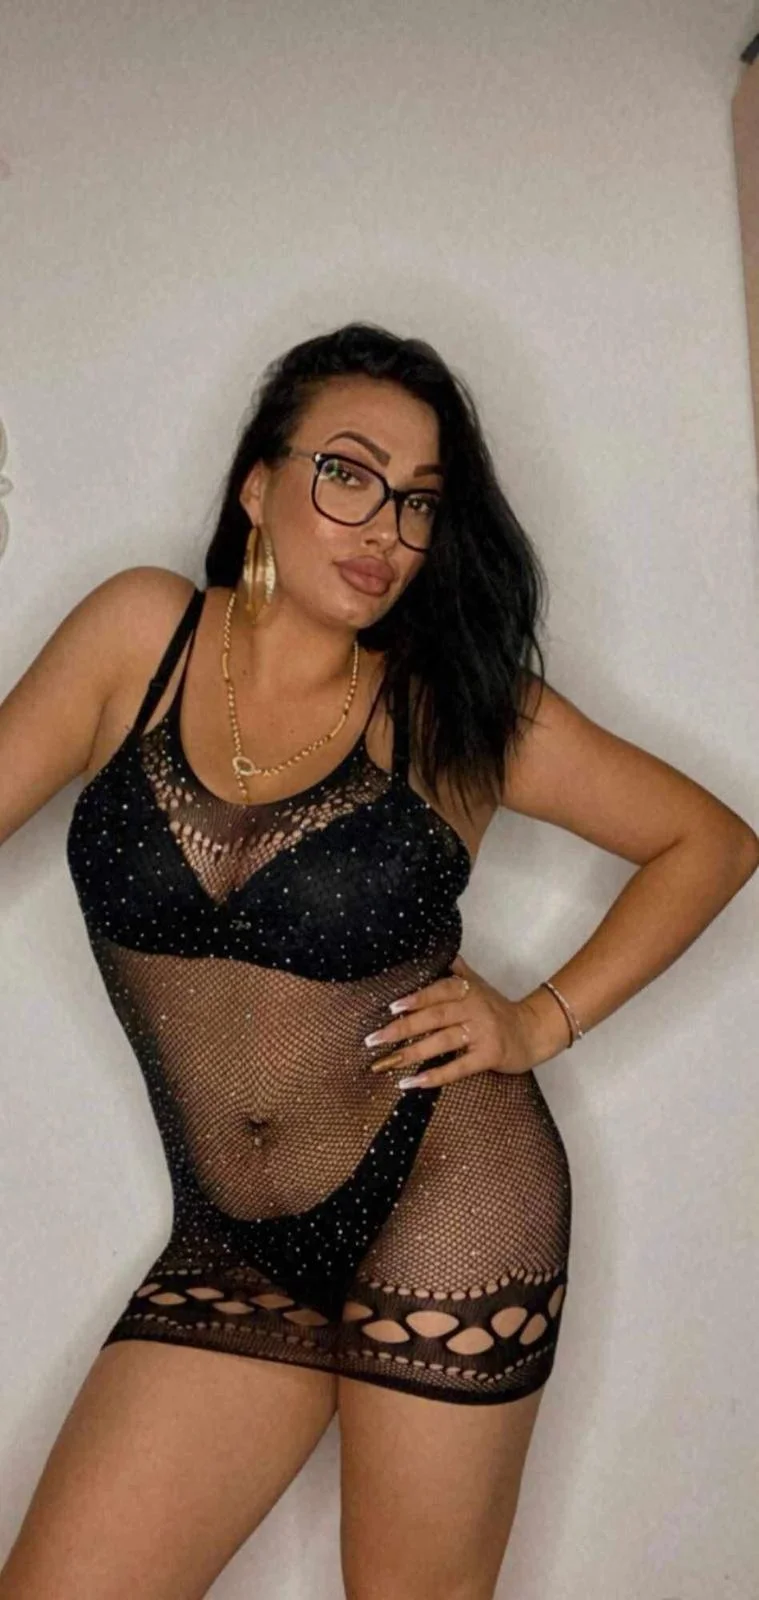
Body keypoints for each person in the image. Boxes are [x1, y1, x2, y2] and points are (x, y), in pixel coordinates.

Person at [0, 321, 756, 1600]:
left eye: (418, 501)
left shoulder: (452, 711)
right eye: (347, 474)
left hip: (450, 1193)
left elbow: (711, 841)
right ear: (259, 484)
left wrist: (540, 1019)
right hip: (234, 1241)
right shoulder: (139, 636)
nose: (385, 528)